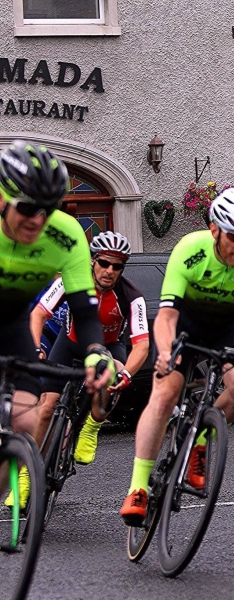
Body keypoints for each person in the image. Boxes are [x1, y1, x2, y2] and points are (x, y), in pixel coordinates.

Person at [120, 188, 234, 524]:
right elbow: (165, 317)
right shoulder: (190, 250)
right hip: (186, 322)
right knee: (165, 393)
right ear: (214, 230)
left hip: (228, 324)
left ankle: (202, 438)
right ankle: (138, 487)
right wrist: (164, 352)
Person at [0, 141, 115, 505]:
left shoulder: (66, 236)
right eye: (28, 208)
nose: (38, 219)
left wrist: (97, 353)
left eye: (48, 210)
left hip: (12, 321)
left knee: (25, 423)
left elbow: (84, 310)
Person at [30, 231, 149, 465]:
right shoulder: (72, 279)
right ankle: (26, 475)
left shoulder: (132, 296)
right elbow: (38, 314)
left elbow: (142, 344)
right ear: (93, 261)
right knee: (45, 409)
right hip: (71, 344)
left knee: (114, 371)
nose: (109, 271)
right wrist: (36, 349)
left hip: (109, 347)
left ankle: (92, 426)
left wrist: (126, 374)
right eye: (104, 263)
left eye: (117, 266)